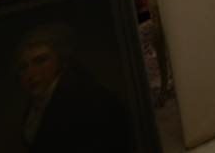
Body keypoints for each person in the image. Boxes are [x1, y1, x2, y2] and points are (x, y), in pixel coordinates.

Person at [16, 24, 132, 153]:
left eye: (40, 60)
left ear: (62, 61)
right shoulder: (34, 107)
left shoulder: (89, 99)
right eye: (23, 67)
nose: (30, 73)